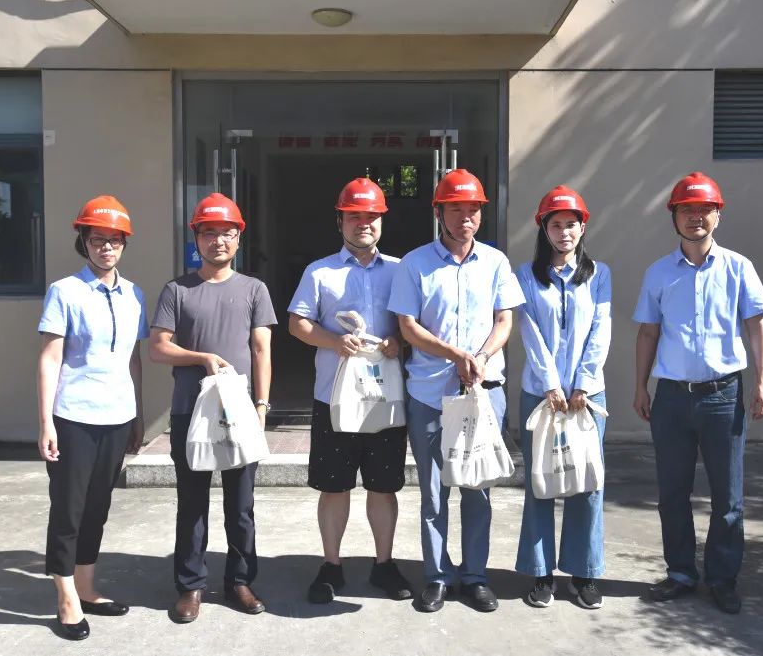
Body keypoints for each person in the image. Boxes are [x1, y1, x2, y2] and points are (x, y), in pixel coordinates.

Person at [632, 172, 763, 615]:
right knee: (672, 493)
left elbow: (757, 326)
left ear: (718, 215)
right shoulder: (658, 273)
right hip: (672, 397)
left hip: (722, 397)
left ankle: (722, 578)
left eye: (704, 210)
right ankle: (680, 572)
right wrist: (640, 386)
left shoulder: (738, 268)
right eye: (687, 210)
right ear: (674, 217)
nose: (696, 217)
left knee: (727, 498)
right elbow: (648, 333)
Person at [388, 169, 525, 613]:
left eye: (473, 209)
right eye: (456, 209)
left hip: (484, 390)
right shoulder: (414, 264)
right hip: (430, 393)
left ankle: (475, 575)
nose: (466, 217)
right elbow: (407, 327)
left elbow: (504, 320)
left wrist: (480, 358)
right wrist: (454, 354)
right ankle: (437, 576)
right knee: (433, 491)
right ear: (439, 212)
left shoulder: (496, 262)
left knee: (477, 486)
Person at [149, 193, 277, 623]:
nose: (218, 240)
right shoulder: (177, 290)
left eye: (226, 232)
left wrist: (262, 405)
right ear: (196, 238)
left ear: (239, 238)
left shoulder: (254, 289)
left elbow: (261, 350)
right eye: (209, 232)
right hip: (190, 413)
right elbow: (158, 348)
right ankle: (191, 586)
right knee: (192, 503)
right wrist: (201, 358)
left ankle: (240, 581)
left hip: (239, 414)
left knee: (241, 506)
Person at [287, 177, 414, 605]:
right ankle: (331, 565)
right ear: (339, 221)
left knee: (384, 486)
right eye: (354, 216)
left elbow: (415, 323)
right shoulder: (320, 271)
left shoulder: (400, 270)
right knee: (334, 486)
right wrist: (333, 341)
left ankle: (384, 564)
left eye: (371, 216)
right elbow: (298, 324)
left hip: (385, 400)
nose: (364, 224)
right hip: (335, 400)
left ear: (382, 221)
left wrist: (400, 341)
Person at [36, 195, 148, 641]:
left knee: (98, 507)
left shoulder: (134, 294)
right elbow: (50, 358)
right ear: (83, 241)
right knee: (69, 508)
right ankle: (65, 597)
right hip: (74, 416)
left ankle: (86, 586)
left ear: (124, 244)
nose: (106, 247)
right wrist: (46, 422)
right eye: (98, 239)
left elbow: (134, 358)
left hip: (118, 416)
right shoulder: (65, 291)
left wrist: (138, 415)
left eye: (115, 240)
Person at [514, 186, 612, 610]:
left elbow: (601, 330)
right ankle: (540, 573)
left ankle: (584, 573)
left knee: (586, 481)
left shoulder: (599, 274)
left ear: (582, 227)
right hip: (541, 395)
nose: (564, 232)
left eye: (571, 224)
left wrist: (583, 384)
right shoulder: (525, 275)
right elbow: (529, 331)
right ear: (544, 228)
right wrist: (551, 383)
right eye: (556, 224)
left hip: (586, 397)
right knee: (541, 482)